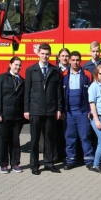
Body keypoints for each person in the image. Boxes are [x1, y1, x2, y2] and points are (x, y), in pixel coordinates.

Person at [24, 43, 63, 175]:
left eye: (47, 54)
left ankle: (49, 163)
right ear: (38, 53)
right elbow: (27, 92)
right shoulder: (31, 70)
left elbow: (58, 92)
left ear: (50, 54)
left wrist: (59, 108)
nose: (45, 56)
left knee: (49, 138)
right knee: (35, 138)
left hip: (51, 110)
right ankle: (34, 165)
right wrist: (26, 109)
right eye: (43, 53)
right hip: (35, 110)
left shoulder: (55, 70)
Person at [61, 51, 94, 170]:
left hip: (83, 111)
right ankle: (71, 160)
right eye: (73, 60)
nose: (75, 62)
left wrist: (90, 109)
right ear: (69, 61)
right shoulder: (64, 75)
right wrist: (62, 110)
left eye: (77, 60)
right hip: (69, 112)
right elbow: (61, 94)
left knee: (85, 136)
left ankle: (89, 160)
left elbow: (91, 93)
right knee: (70, 137)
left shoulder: (87, 74)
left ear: (80, 61)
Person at [0, 56, 25, 174]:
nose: (18, 67)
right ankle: (3, 164)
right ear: (10, 64)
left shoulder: (22, 81)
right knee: (3, 141)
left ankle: (15, 163)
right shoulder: (1, 78)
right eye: (15, 64)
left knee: (15, 141)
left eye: (19, 65)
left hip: (17, 117)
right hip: (4, 116)